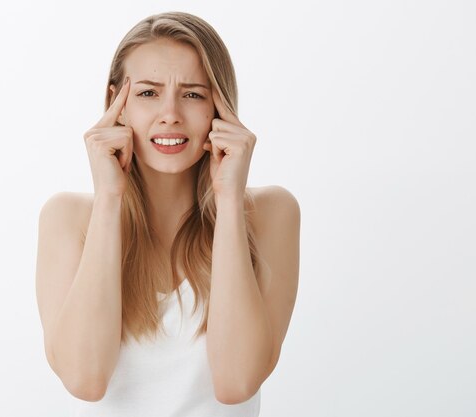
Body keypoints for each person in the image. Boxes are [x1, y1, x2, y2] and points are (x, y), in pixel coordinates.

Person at [35, 11, 300, 417]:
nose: (171, 113)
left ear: (219, 105)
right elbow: (85, 380)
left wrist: (227, 200)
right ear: (115, 106)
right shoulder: (67, 218)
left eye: (193, 94)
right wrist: (109, 197)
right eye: (147, 93)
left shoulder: (270, 213)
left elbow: (236, 384)